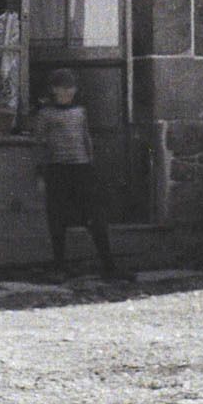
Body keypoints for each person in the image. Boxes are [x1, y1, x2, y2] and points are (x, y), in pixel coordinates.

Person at [31, 68, 120, 278]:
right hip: (57, 169)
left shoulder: (80, 112)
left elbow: (86, 138)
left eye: (71, 88)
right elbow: (39, 144)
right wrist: (41, 174)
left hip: (81, 169)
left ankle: (109, 266)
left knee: (95, 216)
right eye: (63, 88)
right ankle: (59, 266)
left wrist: (90, 164)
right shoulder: (45, 114)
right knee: (57, 218)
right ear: (54, 90)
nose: (67, 92)